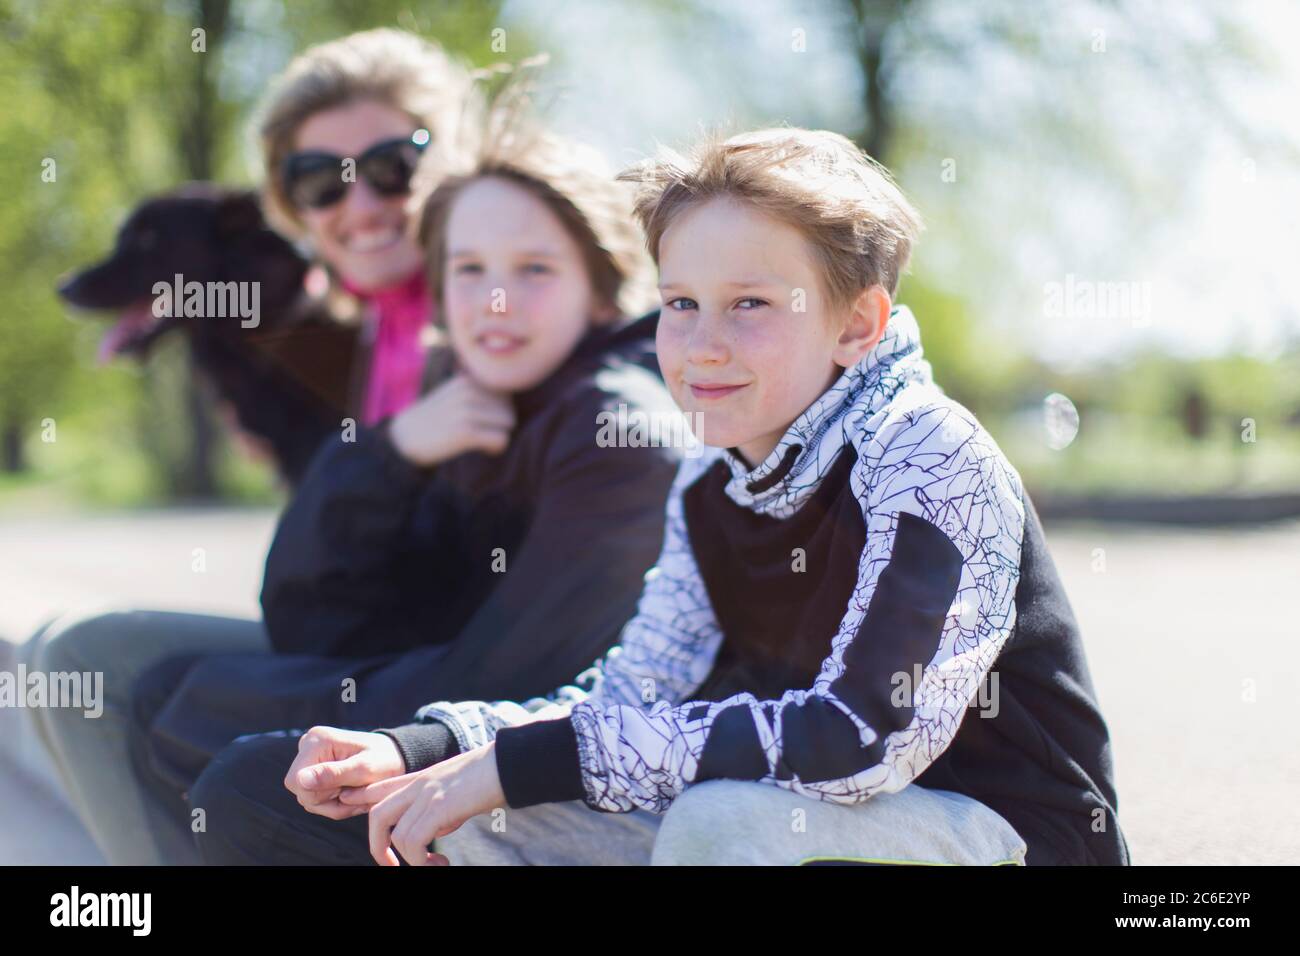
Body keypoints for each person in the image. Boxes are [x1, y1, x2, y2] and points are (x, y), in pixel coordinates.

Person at [190, 126, 1131, 867]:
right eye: (681, 303)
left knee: (724, 828)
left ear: (858, 323)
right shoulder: (710, 480)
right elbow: (630, 696)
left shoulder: (927, 452)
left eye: (751, 304)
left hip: (1004, 841)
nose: (703, 344)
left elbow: (855, 740)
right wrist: (429, 744)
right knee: (461, 820)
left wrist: (524, 766)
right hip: (793, 822)